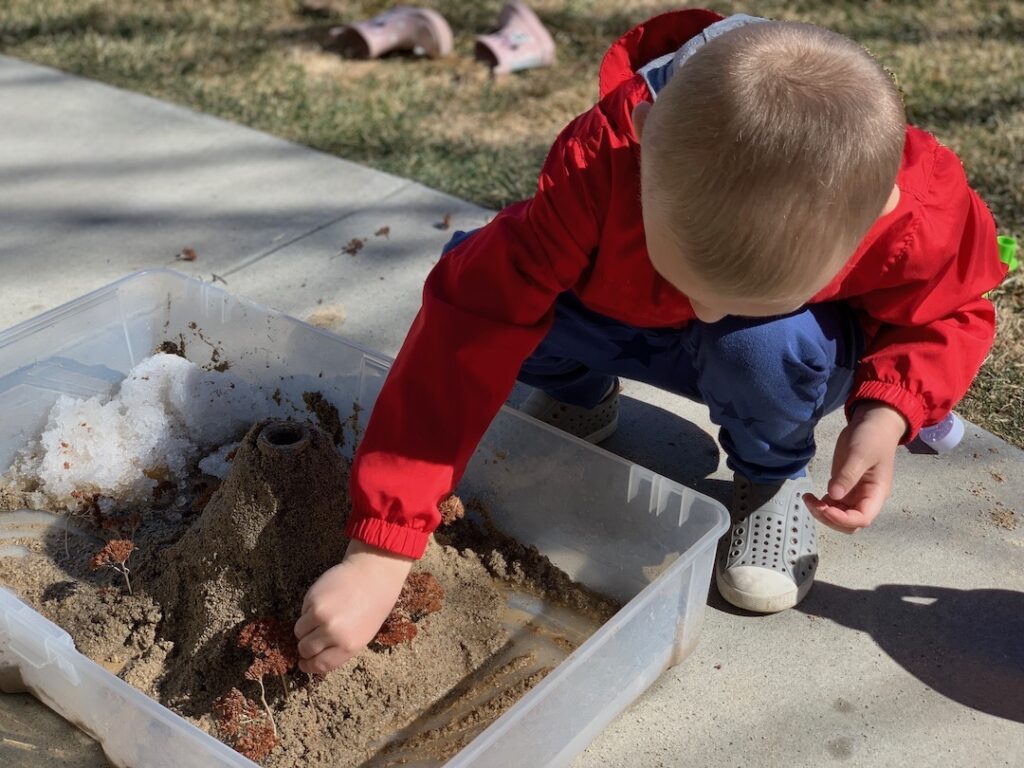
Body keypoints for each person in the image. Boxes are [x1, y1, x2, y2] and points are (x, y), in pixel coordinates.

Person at [292, 10, 1008, 675]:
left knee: (764, 343)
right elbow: (470, 320)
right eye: (687, 275)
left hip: (762, 365)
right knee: (497, 274)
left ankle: (769, 472)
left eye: (740, 297)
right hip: (617, 314)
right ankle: (580, 396)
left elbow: (945, 314)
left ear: (874, 220)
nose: (704, 309)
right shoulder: (598, 170)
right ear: (646, 139)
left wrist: (888, 410)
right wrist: (381, 547)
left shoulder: (914, 210)